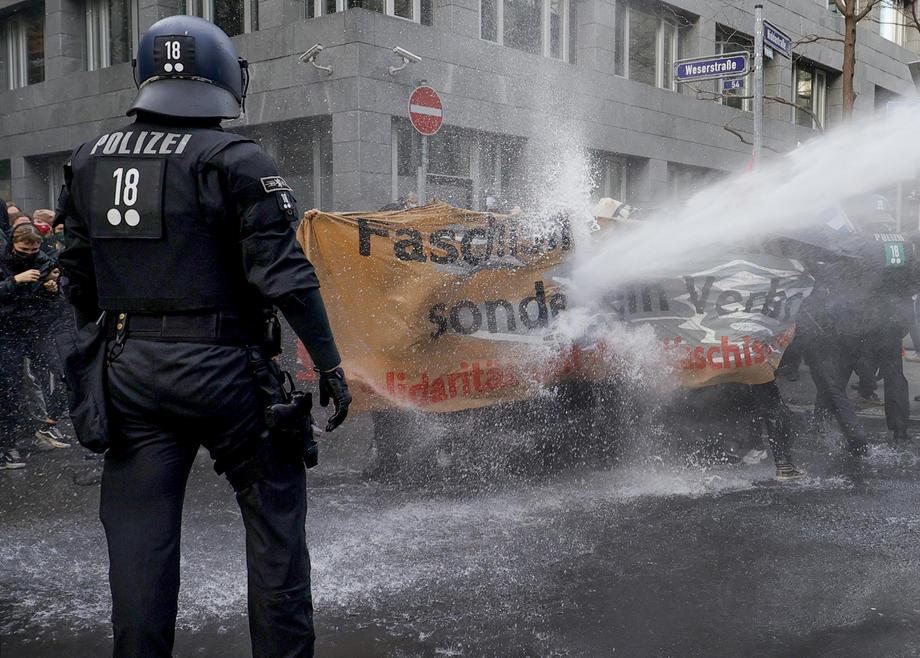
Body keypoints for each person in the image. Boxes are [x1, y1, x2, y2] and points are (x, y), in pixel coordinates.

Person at [56, 16, 351, 657]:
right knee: (275, 529)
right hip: (228, 369)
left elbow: (76, 276)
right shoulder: (236, 160)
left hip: (129, 368)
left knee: (138, 544)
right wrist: (327, 362)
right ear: (222, 77)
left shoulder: (88, 159)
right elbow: (286, 278)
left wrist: (102, 352)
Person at [0, 224, 67, 468]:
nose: (29, 253)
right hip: (7, 331)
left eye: (34, 248)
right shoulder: (4, 260)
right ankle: (9, 443)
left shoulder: (44, 261)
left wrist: (52, 289)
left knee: (63, 374)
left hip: (36, 329)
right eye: (24, 249)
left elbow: (58, 301)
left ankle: (46, 423)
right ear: (13, 245)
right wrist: (15, 281)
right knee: (10, 386)